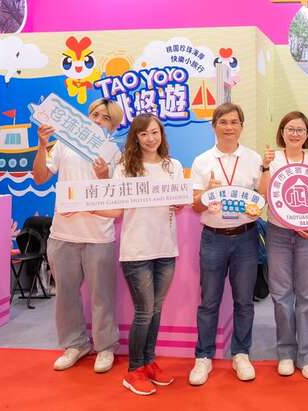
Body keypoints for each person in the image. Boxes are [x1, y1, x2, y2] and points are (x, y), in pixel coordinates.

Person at [32, 98, 123, 376]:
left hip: (98, 235)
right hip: (63, 234)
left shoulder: (115, 153)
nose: (98, 120)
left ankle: (105, 346)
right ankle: (74, 344)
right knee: (66, 295)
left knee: (102, 296)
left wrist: (104, 175)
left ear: (113, 125)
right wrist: (42, 144)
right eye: (95, 114)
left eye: (105, 118)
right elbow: (39, 177)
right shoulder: (63, 145)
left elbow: (118, 197)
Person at [188, 103, 262, 386]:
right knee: (209, 301)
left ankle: (241, 354)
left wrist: (258, 207)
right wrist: (206, 193)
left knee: (244, 301)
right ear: (214, 126)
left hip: (246, 237)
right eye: (223, 122)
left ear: (241, 126)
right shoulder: (202, 161)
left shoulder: (254, 159)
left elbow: (261, 199)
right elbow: (195, 206)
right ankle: (203, 357)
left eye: (234, 122)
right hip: (213, 238)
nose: (228, 127)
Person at [116, 114, 185, 396]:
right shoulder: (124, 168)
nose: (150, 138)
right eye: (143, 134)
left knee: (156, 309)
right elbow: (115, 208)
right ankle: (134, 370)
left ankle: (148, 362)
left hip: (166, 248)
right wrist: (85, 208)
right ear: (135, 137)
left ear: (162, 134)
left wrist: (179, 205)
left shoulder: (173, 166)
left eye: (155, 132)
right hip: (136, 250)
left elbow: (179, 202)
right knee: (144, 311)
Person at [258, 111, 308, 380]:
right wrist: (265, 167)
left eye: (300, 129)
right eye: (290, 129)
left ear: (307, 134)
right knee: (281, 294)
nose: (295, 133)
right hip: (278, 233)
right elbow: (263, 194)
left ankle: (307, 354)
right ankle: (286, 352)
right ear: (282, 132)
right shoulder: (272, 159)